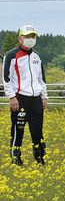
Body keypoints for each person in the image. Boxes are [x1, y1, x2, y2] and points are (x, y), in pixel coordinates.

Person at [3, 25, 48, 165]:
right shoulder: (11, 55)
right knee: (18, 129)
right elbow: (6, 78)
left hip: (36, 99)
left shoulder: (36, 57)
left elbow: (41, 78)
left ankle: (40, 158)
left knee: (37, 130)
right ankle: (16, 159)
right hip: (20, 98)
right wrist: (11, 97)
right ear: (20, 38)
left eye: (32, 37)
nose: (30, 39)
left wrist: (44, 96)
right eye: (27, 37)